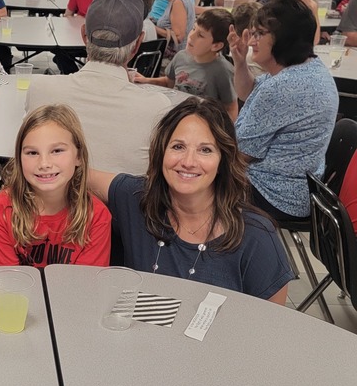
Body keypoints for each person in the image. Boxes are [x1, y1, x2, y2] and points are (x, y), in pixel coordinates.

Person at [89, 98, 293, 303]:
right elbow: (77, 173)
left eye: (205, 150)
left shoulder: (255, 236)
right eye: (178, 147)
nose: (188, 162)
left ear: (223, 159)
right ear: (161, 153)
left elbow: (273, 325)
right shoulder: (136, 197)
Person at [25, 0, 184, 174]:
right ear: (138, 43)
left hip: (52, 201)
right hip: (121, 203)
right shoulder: (157, 108)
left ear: (84, 35)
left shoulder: (41, 90)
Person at [229, 0, 338, 219]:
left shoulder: (284, 87)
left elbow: (239, 155)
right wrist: (240, 63)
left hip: (274, 195)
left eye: (259, 34)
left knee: (186, 182)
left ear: (284, 39)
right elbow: (247, 93)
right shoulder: (308, 68)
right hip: (298, 190)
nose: (251, 42)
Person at [0, 105, 111, 269]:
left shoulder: (97, 217)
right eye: (32, 153)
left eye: (57, 150)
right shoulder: (1, 211)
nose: (44, 164)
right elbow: (5, 284)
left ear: (78, 156)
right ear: (19, 159)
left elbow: (85, 288)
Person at [134, 8, 238, 120]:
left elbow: (231, 108)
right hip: (175, 117)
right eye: (193, 29)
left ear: (216, 46)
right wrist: (147, 80)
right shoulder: (181, 57)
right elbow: (169, 82)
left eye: (201, 35)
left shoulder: (223, 71)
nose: (191, 36)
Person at [55, 0, 114, 73]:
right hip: (78, 36)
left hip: (102, 40)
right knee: (59, 52)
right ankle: (74, 76)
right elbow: (68, 14)